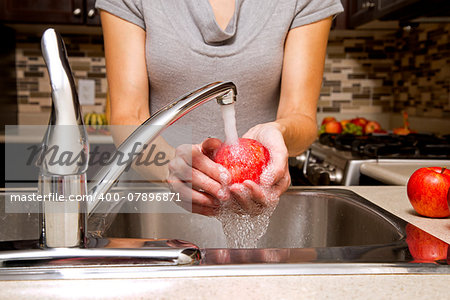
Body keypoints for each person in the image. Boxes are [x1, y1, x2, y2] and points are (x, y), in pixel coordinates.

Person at [95, 0, 343, 216]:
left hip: (258, 202)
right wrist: (170, 167)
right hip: (158, 201)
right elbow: (128, 116)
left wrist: (279, 132)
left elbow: (300, 115)